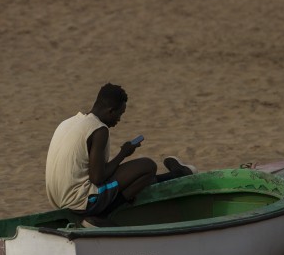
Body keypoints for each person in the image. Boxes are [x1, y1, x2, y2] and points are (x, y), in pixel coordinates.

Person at [45, 83, 196, 224]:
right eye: (120, 114)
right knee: (147, 166)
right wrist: (123, 154)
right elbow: (98, 178)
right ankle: (103, 215)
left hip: (57, 199)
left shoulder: (68, 122)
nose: (119, 119)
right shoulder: (99, 129)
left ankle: (177, 173)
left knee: (136, 179)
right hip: (81, 202)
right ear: (111, 111)